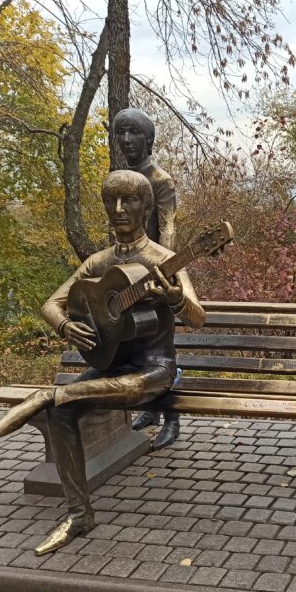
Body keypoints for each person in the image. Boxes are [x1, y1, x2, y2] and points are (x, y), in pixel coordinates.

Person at [0, 170, 206, 555]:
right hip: (108, 367)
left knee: (63, 397)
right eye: (111, 201)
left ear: (147, 207)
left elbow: (197, 317)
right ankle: (78, 515)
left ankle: (47, 394)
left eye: (130, 201)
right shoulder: (98, 262)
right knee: (62, 411)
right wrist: (65, 326)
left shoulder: (164, 260)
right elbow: (51, 304)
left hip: (153, 371)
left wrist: (175, 298)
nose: (119, 209)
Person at [111, 107, 181, 450]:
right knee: (133, 344)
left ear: (148, 139)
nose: (126, 139)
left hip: (155, 275)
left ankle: (171, 417)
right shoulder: (118, 176)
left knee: (161, 349)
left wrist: (164, 266)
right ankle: (150, 410)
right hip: (124, 274)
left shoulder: (160, 180)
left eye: (134, 132)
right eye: (121, 132)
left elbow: (168, 224)